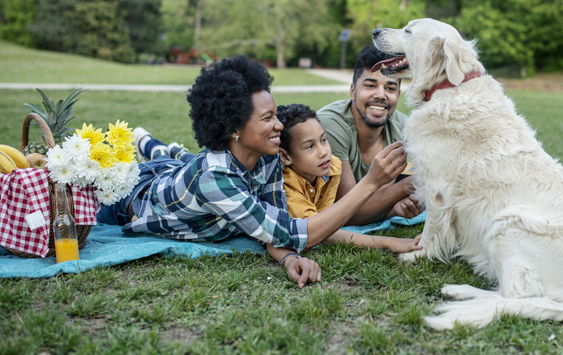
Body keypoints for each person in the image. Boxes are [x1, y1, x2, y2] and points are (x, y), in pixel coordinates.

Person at [96, 55, 408, 287]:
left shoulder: (268, 155)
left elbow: (273, 221)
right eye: (268, 118)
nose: (279, 125)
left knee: (178, 160)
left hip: (179, 173)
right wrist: (371, 183)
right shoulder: (215, 179)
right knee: (148, 171)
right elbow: (298, 232)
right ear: (233, 128)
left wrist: (288, 258)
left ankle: (155, 145)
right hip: (131, 201)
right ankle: (150, 146)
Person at [276, 103, 422, 252]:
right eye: (309, 147)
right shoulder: (286, 185)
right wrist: (387, 242)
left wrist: (392, 211)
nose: (323, 152)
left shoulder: (332, 167)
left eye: (323, 140)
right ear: (285, 156)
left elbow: (332, 217)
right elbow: (317, 232)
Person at [317, 46, 423, 226]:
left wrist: (394, 208)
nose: (381, 95)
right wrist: (408, 186)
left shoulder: (403, 128)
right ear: (352, 91)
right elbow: (349, 213)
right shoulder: (330, 126)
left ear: (397, 95)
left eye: (390, 88)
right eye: (370, 85)